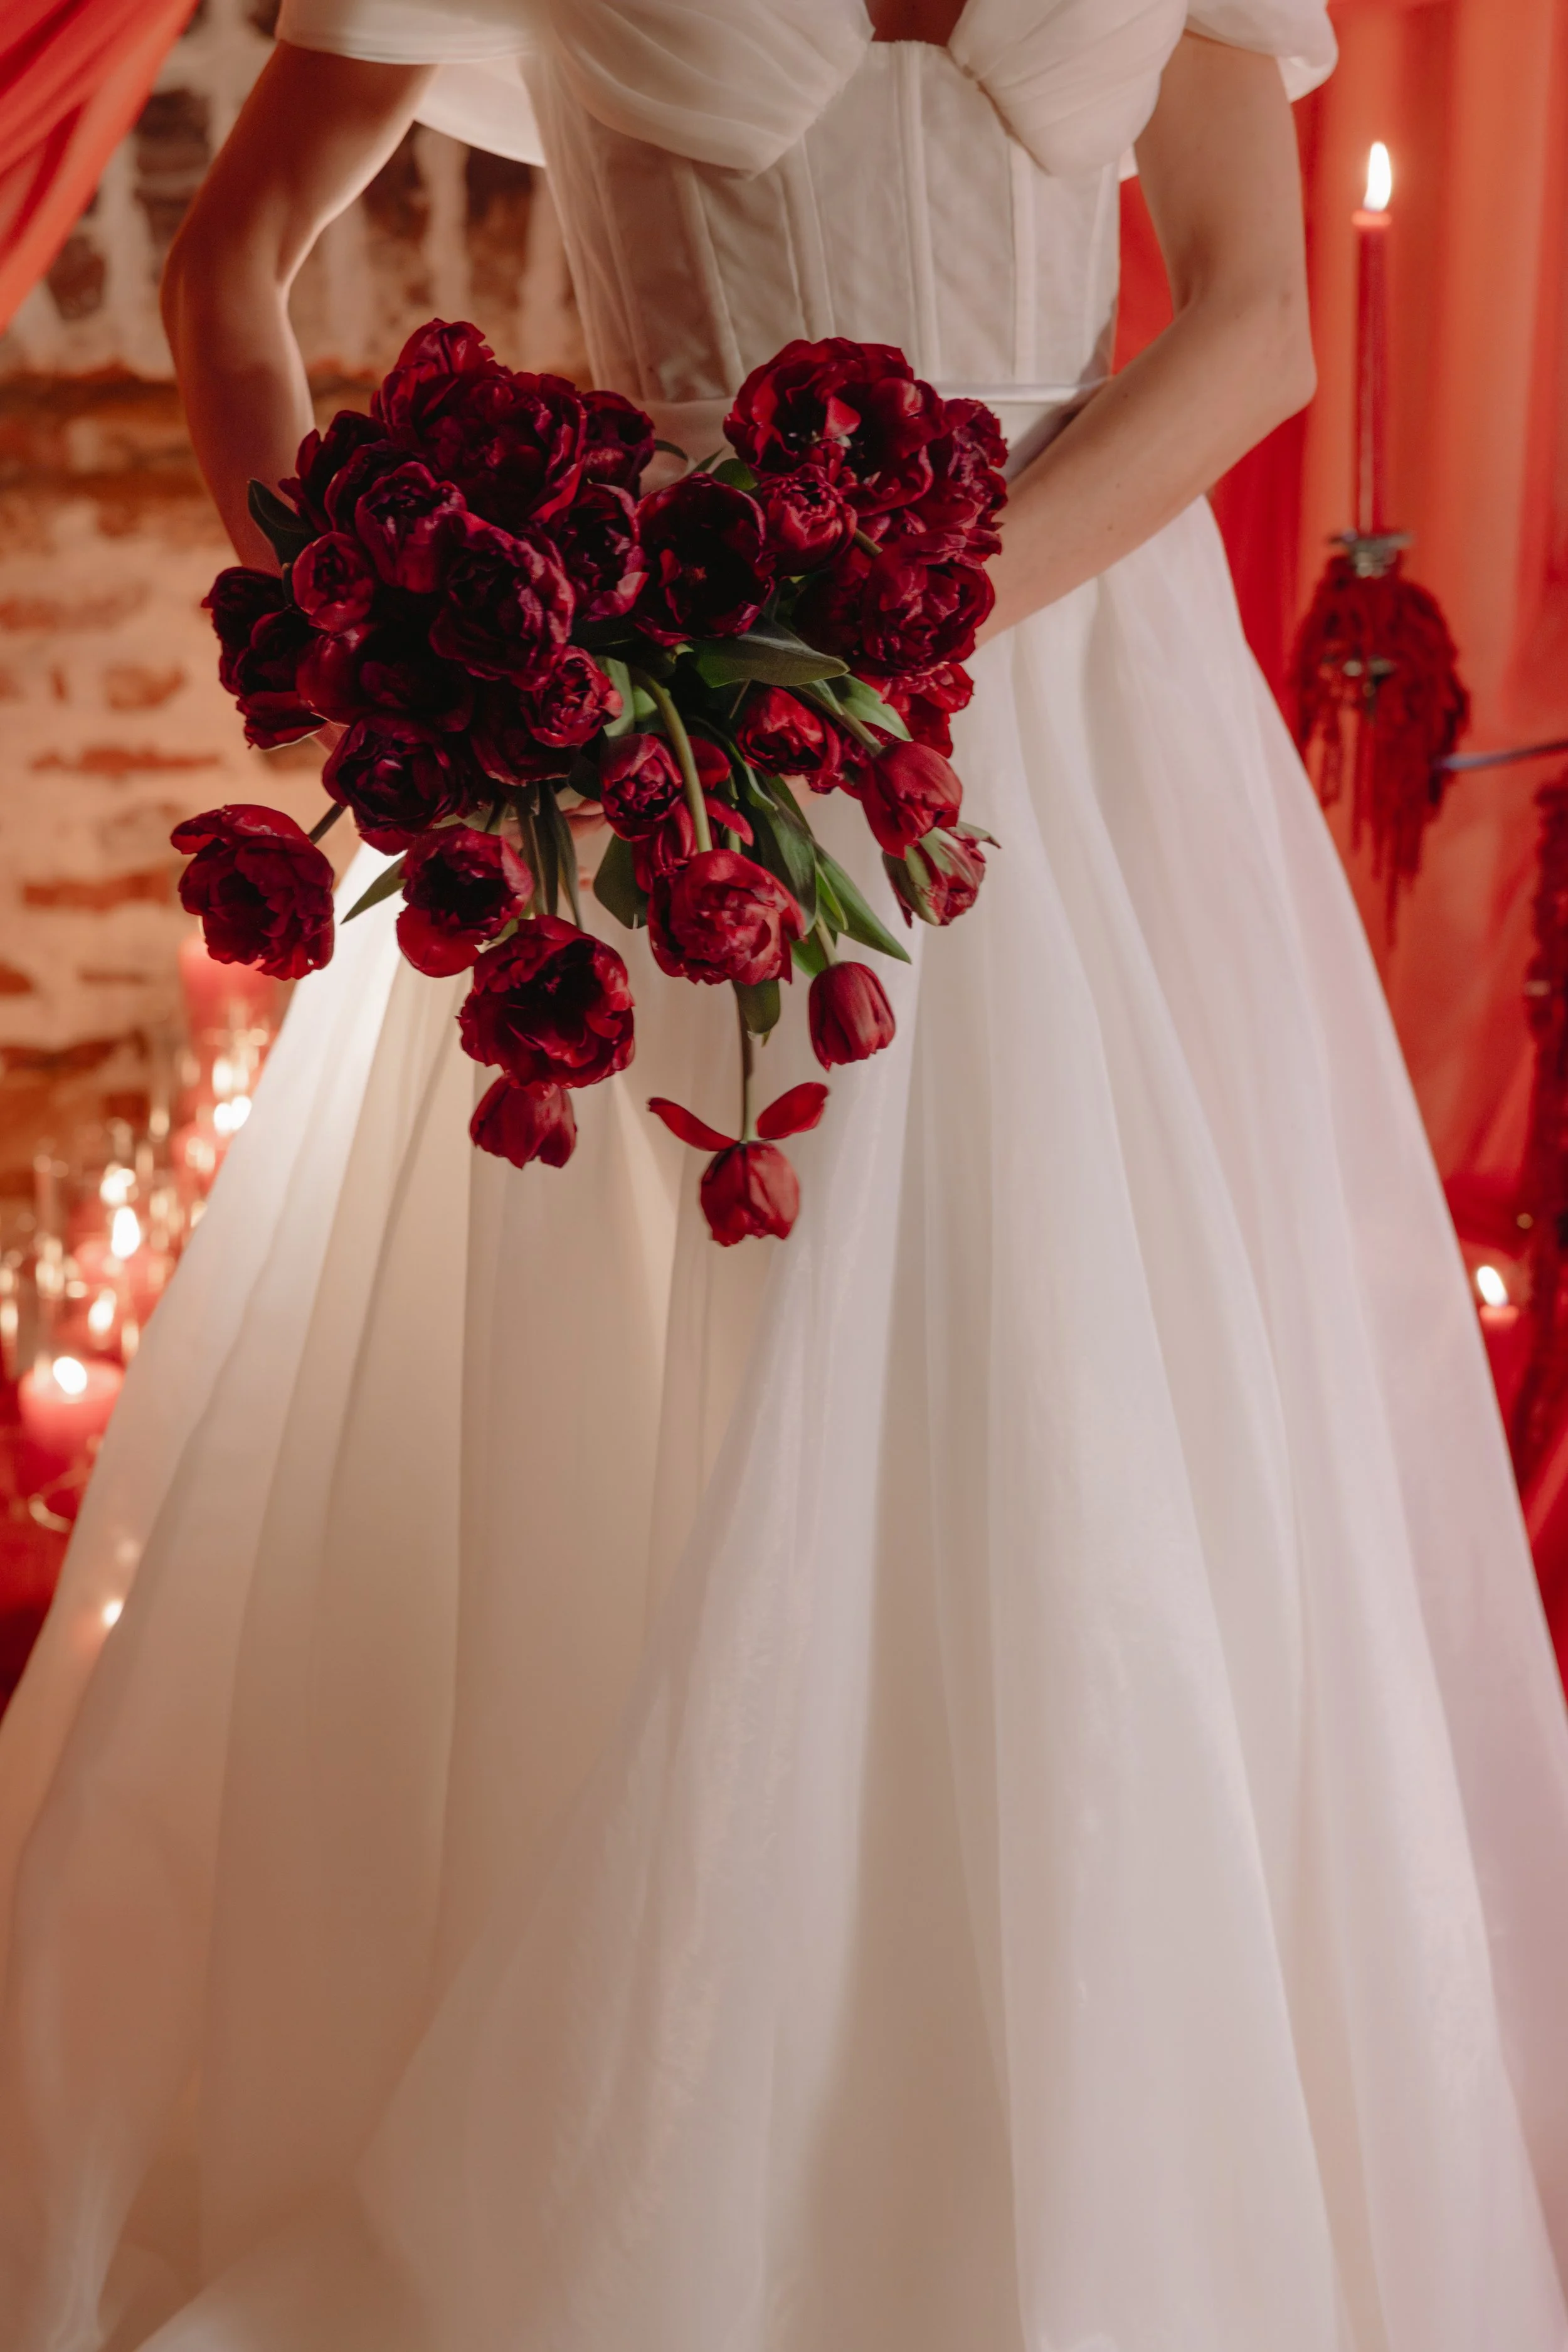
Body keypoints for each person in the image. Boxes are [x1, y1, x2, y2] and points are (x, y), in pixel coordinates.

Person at [2, 4, 1567, 2347]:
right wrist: (360, 658)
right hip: (660, 729)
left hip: (1070, 749)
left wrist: (904, 639)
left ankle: (1074, 2159)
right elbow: (229, 268)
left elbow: (1242, 328)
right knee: (681, 1443)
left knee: (1067, 1436)